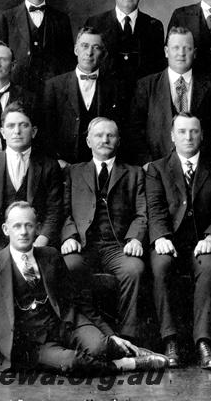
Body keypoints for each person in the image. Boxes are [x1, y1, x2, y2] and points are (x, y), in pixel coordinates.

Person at [0, 202, 167, 373]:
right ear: (6, 230)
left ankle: (129, 350)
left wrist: (109, 333)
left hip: (64, 324)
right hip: (30, 341)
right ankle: (125, 365)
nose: (23, 232)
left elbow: (78, 301)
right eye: (17, 226)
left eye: (29, 226)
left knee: (100, 345)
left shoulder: (50, 255)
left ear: (37, 228)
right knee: (71, 363)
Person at [146, 113, 211, 369]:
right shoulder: (157, 168)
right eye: (182, 132)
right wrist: (161, 236)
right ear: (172, 136)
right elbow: (155, 206)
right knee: (160, 266)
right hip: (170, 242)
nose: (188, 137)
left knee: (208, 266)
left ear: (202, 135)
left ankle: (203, 341)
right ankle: (170, 340)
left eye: (194, 131)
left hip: (201, 242)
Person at [60, 117, 147, 343]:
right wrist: (69, 236)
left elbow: (142, 213)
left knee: (134, 269)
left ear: (118, 141)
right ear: (88, 141)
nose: (104, 140)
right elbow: (64, 211)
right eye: (99, 135)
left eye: (110, 135)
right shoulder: (73, 172)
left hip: (117, 245)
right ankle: (88, 333)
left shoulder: (135, 173)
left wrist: (135, 239)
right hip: (83, 244)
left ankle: (129, 338)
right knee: (70, 265)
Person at [0, 101, 62, 256]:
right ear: (2, 132)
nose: (17, 131)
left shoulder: (49, 166)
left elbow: (55, 210)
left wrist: (43, 238)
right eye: (11, 126)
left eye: (23, 125)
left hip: (35, 239)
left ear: (33, 131)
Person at [127, 26, 211, 165]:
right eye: (176, 48)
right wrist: (147, 164)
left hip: (201, 168)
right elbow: (135, 131)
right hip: (156, 168)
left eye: (187, 48)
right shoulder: (146, 86)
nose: (181, 53)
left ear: (195, 53)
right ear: (166, 51)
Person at [42, 28, 123, 167]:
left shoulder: (115, 87)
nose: (89, 53)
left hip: (103, 165)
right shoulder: (54, 86)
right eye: (84, 46)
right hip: (64, 166)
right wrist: (57, 161)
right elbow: (45, 130)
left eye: (96, 47)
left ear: (103, 54)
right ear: (75, 50)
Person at [0, 0, 75, 96]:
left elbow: (68, 62)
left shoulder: (61, 19)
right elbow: (0, 59)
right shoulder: (7, 18)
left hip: (52, 92)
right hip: (18, 90)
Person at [84, 0, 165, 96]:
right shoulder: (95, 23)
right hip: (105, 98)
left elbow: (158, 71)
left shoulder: (154, 26)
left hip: (142, 100)